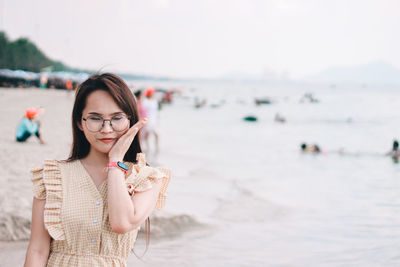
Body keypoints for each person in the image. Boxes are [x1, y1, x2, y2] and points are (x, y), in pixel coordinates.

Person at [24, 73, 172, 267]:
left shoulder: (147, 178)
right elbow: (37, 250)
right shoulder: (53, 176)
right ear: (80, 122)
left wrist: (115, 162)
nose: (106, 129)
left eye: (117, 118)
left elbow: (122, 223)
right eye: (95, 118)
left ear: (130, 120)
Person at [141, 87, 160, 155]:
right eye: (152, 93)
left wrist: (157, 120)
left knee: (156, 134)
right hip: (148, 121)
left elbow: (156, 112)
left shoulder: (154, 101)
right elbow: (143, 112)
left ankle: (157, 147)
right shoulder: (145, 101)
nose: (154, 94)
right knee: (147, 135)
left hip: (154, 120)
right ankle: (148, 148)